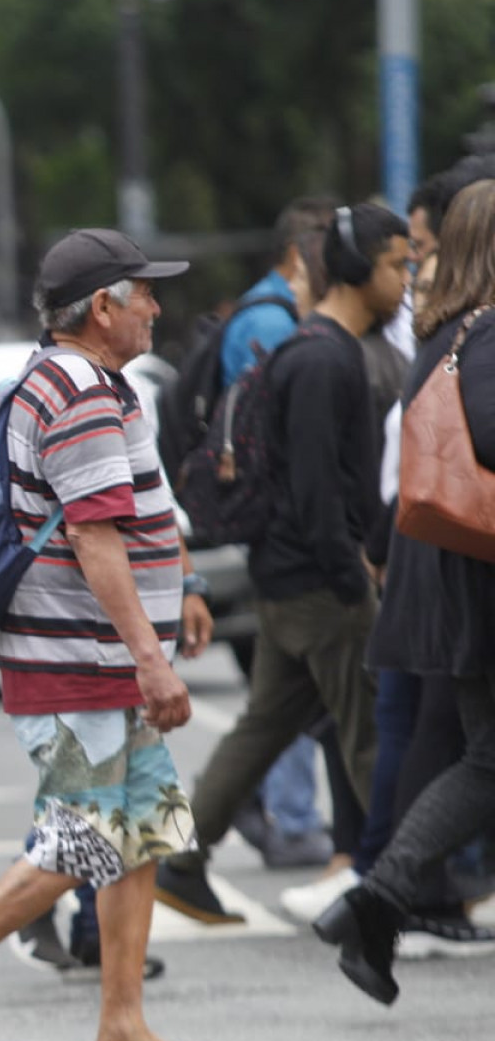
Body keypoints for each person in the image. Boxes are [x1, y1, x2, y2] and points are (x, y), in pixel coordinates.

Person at [0, 228, 223, 1041]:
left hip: (98, 660)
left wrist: (179, 589)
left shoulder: (87, 381)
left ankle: (122, 1028)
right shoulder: (77, 391)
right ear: (102, 306)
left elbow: (137, 511)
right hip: (83, 663)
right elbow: (95, 535)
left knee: (139, 831)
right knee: (88, 833)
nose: (156, 307)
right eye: (144, 293)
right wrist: (151, 658)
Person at [156, 205, 412, 924]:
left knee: (264, 727)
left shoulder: (313, 350)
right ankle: (409, 885)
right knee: (371, 735)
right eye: (397, 265)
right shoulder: (324, 359)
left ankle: (180, 862)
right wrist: (352, 576)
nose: (407, 280)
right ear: (356, 270)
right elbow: (317, 488)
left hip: (286, 575)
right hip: (320, 583)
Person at [315, 178, 495, 1002]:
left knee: (484, 758)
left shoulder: (447, 332)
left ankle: (377, 901)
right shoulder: (485, 335)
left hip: (457, 574)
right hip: (479, 578)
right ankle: (377, 899)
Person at [221, 197, 340, 872]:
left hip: (280, 532)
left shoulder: (270, 315)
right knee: (301, 684)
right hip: (285, 534)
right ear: (301, 255)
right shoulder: (271, 321)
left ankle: (255, 804)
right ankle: (290, 816)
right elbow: (279, 442)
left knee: (287, 690)